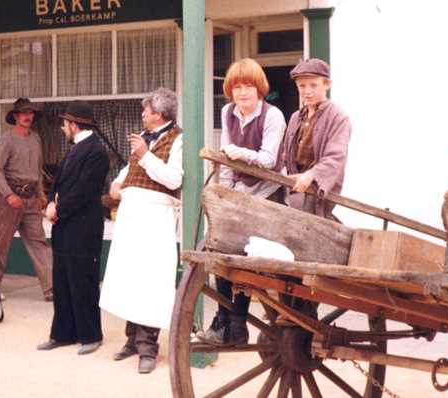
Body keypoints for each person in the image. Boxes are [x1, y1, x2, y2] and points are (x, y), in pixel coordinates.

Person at [198, 59, 287, 346]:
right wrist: (226, 195)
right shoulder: (228, 112)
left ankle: (237, 322)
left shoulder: (273, 116)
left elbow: (268, 160)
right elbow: (226, 161)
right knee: (223, 246)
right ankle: (224, 320)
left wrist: (239, 152)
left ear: (259, 88)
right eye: (237, 87)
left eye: (249, 86)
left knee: (246, 254)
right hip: (239, 191)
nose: (243, 92)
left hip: (267, 190)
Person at [100, 88, 184, 374]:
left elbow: (174, 179)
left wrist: (146, 155)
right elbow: (130, 169)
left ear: (159, 114)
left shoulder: (179, 139)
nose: (143, 115)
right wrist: (117, 181)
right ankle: (132, 341)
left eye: (146, 111)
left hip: (155, 216)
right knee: (130, 276)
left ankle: (148, 347)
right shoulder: (143, 139)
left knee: (151, 279)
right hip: (132, 214)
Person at [37, 102, 110, 356]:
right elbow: (58, 184)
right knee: (62, 280)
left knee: (83, 281)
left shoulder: (96, 152)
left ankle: (90, 335)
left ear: (74, 124)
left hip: (84, 227)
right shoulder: (75, 149)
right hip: (64, 226)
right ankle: (62, 333)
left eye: (65, 123)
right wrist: (49, 202)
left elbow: (85, 191)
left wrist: (58, 208)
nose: (62, 127)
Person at [0, 97, 53, 301]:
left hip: (31, 199)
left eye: (30, 113)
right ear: (15, 116)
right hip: (10, 200)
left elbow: (38, 170)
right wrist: (9, 194)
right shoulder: (6, 140)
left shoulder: (36, 139)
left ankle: (51, 288)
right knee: (0, 244)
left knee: (39, 243)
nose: (27, 116)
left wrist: (41, 194)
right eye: (23, 113)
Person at [280, 58, 351, 219]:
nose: (307, 91)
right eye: (302, 86)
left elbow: (335, 157)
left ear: (327, 84)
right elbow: (285, 154)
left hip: (317, 189)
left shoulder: (338, 117)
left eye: (313, 85)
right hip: (293, 186)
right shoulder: (296, 117)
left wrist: (311, 175)